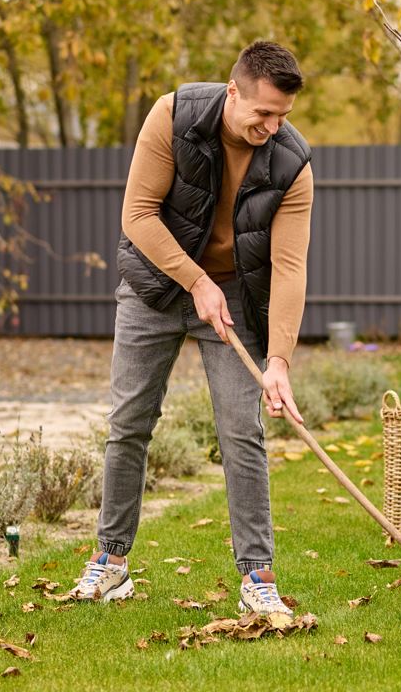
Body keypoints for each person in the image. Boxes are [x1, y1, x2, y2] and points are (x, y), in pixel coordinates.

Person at [68, 41, 314, 617]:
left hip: (232, 295)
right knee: (129, 422)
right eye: (263, 114)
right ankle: (112, 562)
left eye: (283, 117)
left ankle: (258, 575)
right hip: (156, 284)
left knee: (241, 430)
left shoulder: (292, 163)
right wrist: (195, 280)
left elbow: (289, 267)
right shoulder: (174, 116)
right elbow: (138, 216)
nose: (272, 127)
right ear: (234, 92)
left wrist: (279, 360)